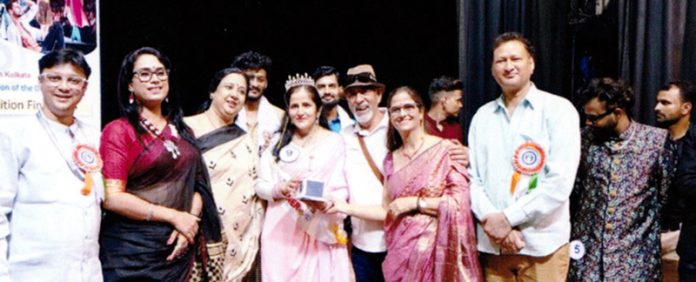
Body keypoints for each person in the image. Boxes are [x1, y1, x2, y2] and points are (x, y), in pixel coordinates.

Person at [99, 47, 220, 281]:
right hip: (131, 255)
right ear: (130, 85)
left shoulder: (183, 131)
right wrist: (175, 217)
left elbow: (198, 185)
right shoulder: (119, 131)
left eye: (160, 72)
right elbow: (113, 197)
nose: (154, 79)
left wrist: (189, 224)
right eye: (144, 74)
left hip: (176, 252)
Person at [468, 32, 581, 281]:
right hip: (493, 248)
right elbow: (473, 180)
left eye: (515, 59)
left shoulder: (559, 110)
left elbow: (559, 183)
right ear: (492, 69)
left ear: (531, 63)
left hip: (543, 247)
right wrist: (497, 226)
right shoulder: (482, 117)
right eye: (501, 61)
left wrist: (508, 219)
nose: (508, 66)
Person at [0, 48, 102, 281]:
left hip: (87, 273)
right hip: (30, 273)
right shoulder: (14, 134)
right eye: (55, 78)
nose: (64, 87)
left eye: (74, 80)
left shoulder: (94, 137)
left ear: (84, 88)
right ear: (40, 81)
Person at [570, 77, 673, 281]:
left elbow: (664, 196)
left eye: (595, 118)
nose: (589, 123)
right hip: (588, 255)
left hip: (635, 256)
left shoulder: (656, 141)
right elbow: (576, 191)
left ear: (618, 112)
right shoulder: (582, 139)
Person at [256, 73, 353, 281]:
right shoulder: (276, 143)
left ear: (318, 110)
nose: (300, 112)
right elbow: (260, 185)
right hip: (280, 231)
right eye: (294, 106)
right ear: (288, 110)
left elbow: (341, 188)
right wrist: (278, 189)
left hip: (320, 228)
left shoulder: (335, 142)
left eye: (306, 105)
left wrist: (324, 204)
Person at [379, 86, 481, 281]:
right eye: (395, 109)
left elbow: (460, 204)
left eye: (408, 107)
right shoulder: (390, 160)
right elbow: (387, 209)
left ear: (420, 112)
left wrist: (415, 203)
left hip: (438, 257)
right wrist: (341, 207)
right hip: (401, 256)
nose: (402, 113)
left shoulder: (446, 150)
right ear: (390, 116)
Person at [184, 67, 264, 281]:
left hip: (237, 237)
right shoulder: (187, 127)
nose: (235, 95)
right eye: (229, 87)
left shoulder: (246, 139)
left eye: (241, 91)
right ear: (213, 92)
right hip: (196, 229)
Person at [654, 81, 695, 281]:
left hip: (682, 234)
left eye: (665, 103)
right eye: (657, 102)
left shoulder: (692, 144)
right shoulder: (651, 144)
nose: (657, 108)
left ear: (686, 108)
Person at [232, 50, 284, 154]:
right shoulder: (228, 112)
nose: (255, 84)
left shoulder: (279, 116)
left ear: (266, 83)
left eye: (260, 79)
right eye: (250, 78)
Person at [312, 65, 353, 133]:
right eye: (321, 87)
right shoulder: (305, 124)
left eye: (332, 86)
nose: (327, 91)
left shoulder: (353, 125)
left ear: (340, 90)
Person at [425, 76, 464, 142]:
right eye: (458, 100)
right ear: (444, 100)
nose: (461, 105)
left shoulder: (455, 128)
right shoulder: (419, 126)